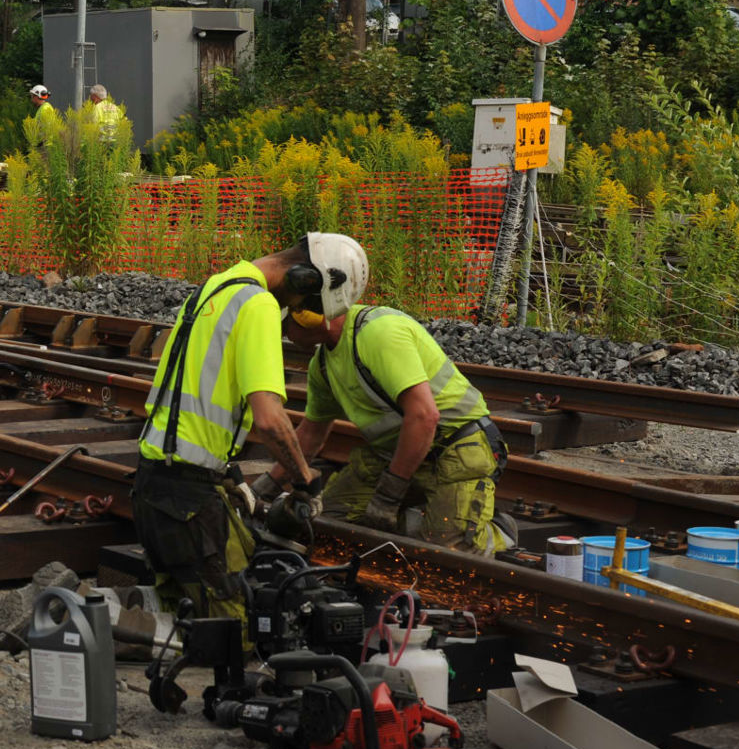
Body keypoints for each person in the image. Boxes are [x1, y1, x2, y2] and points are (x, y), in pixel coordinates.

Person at [133, 232, 369, 635]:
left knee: (182, 623)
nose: (298, 312)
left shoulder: (215, 286)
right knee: (238, 636)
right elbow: (269, 419)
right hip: (188, 500)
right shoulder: (257, 303)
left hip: (152, 484)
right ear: (306, 280)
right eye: (308, 302)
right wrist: (305, 480)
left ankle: (130, 637)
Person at [263, 304, 513, 555]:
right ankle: (419, 523)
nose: (286, 336)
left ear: (307, 315)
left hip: (457, 446)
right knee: (329, 520)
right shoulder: (323, 366)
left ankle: (498, 534)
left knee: (448, 550)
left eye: (285, 327)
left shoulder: (377, 332)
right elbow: (310, 434)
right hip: (401, 454)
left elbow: (424, 416)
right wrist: (264, 488)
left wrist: (388, 497)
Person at [27, 84, 62, 148]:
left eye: (32, 96)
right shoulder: (42, 108)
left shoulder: (45, 109)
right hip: (43, 145)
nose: (31, 100)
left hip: (45, 146)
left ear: (36, 96)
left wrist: (39, 143)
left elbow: (47, 129)